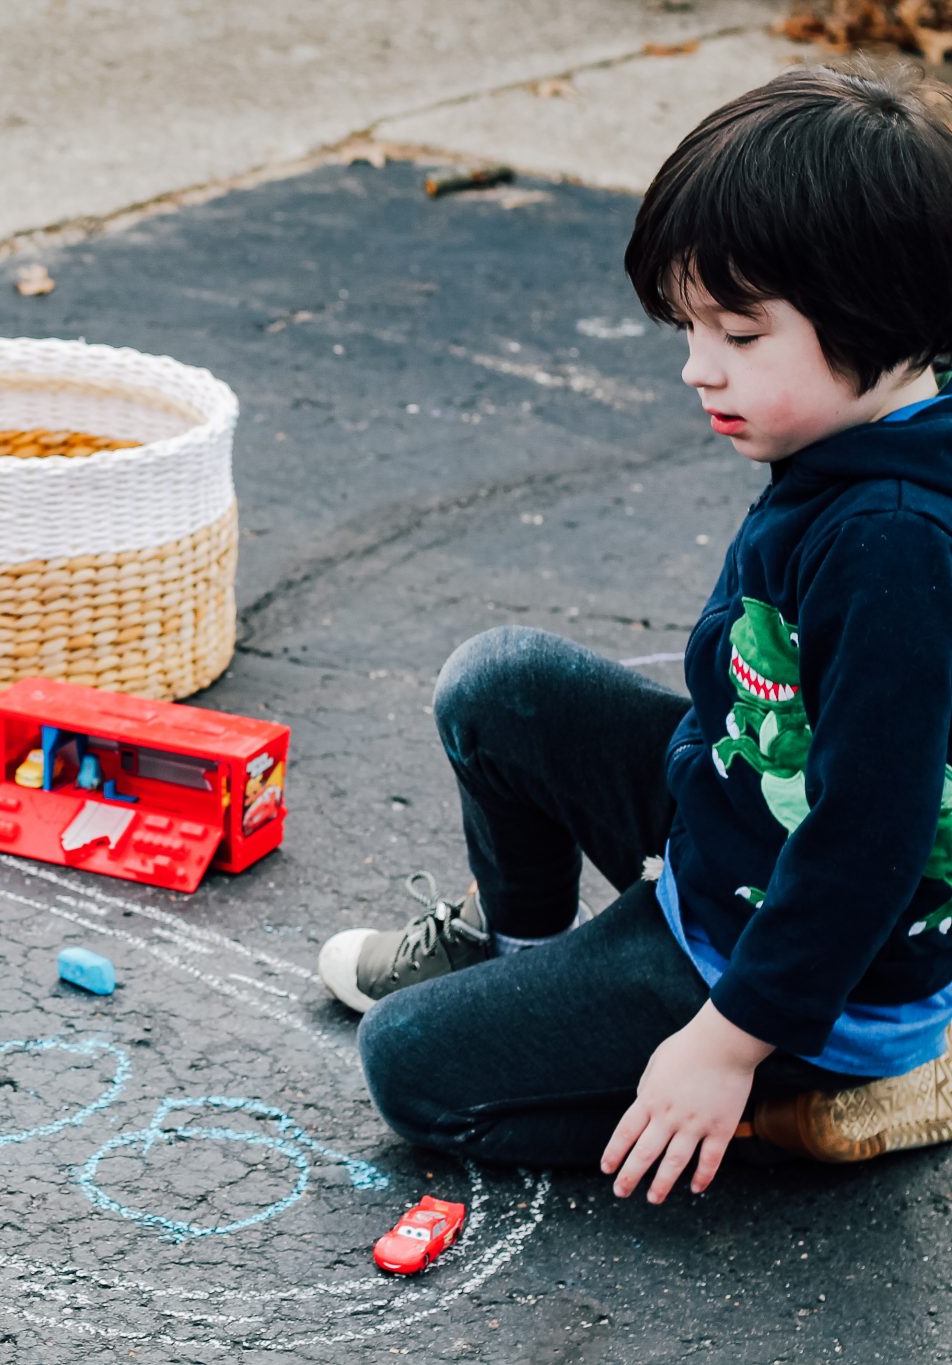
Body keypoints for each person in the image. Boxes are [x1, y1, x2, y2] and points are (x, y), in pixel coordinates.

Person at [318, 64, 952, 1201]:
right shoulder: (872, 423)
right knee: (499, 684)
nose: (696, 365)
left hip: (792, 955)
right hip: (733, 818)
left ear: (879, 313)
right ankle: (513, 952)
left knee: (411, 1073)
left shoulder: (891, 543)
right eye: (690, 324)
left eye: (740, 333)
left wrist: (722, 1045)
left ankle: (790, 1103)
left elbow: (869, 840)